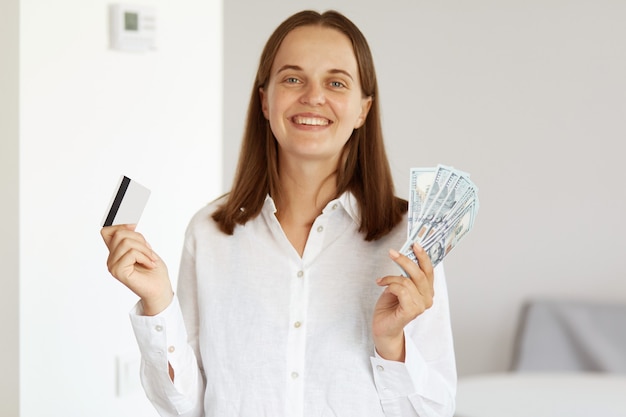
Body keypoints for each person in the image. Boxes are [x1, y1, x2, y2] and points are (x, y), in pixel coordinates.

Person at [101, 9, 456, 417]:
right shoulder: (209, 233)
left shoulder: (411, 239)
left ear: (363, 109)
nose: (313, 96)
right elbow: (186, 405)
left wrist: (392, 345)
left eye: (336, 82)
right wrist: (158, 302)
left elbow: (435, 411)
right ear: (265, 101)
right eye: (292, 78)